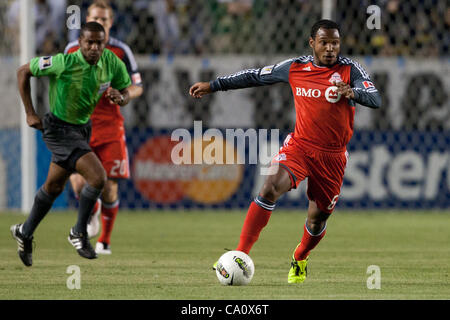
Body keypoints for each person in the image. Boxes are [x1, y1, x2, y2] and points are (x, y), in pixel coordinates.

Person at [189, 19, 381, 283]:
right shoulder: (295, 67)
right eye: (324, 42)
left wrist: (353, 93)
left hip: (333, 156)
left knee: (317, 220)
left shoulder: (350, 70)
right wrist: (214, 85)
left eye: (335, 43)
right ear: (312, 43)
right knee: (269, 187)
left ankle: (300, 257)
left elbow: (375, 98)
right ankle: (240, 254)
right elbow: (255, 76)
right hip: (300, 145)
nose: (330, 48)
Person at [11, 21, 132, 267]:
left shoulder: (111, 62)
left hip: (81, 128)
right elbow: (23, 71)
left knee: (54, 187)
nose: (95, 47)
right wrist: (30, 113)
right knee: (98, 177)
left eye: (99, 43)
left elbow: (126, 90)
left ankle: (24, 231)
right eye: (89, 42)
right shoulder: (64, 62)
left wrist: (122, 97)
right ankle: (78, 232)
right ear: (80, 43)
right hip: (58, 128)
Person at [65, 1, 143, 255]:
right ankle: (93, 210)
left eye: (105, 20)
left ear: (111, 23)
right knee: (78, 182)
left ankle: (105, 241)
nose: (100, 23)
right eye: (95, 18)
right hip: (79, 126)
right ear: (86, 20)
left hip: (109, 127)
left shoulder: (121, 51)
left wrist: (124, 96)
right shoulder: (72, 50)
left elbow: (137, 85)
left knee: (109, 186)